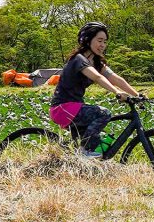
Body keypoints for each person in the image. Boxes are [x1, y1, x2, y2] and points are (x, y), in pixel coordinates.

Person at [51, 22, 143, 155]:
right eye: (99, 41)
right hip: (63, 108)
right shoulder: (79, 59)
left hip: (75, 108)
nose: (103, 45)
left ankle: (82, 160)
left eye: (105, 42)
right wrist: (117, 92)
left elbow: (116, 79)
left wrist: (137, 95)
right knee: (103, 113)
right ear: (87, 40)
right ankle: (87, 151)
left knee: (86, 147)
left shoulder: (97, 63)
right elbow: (97, 78)